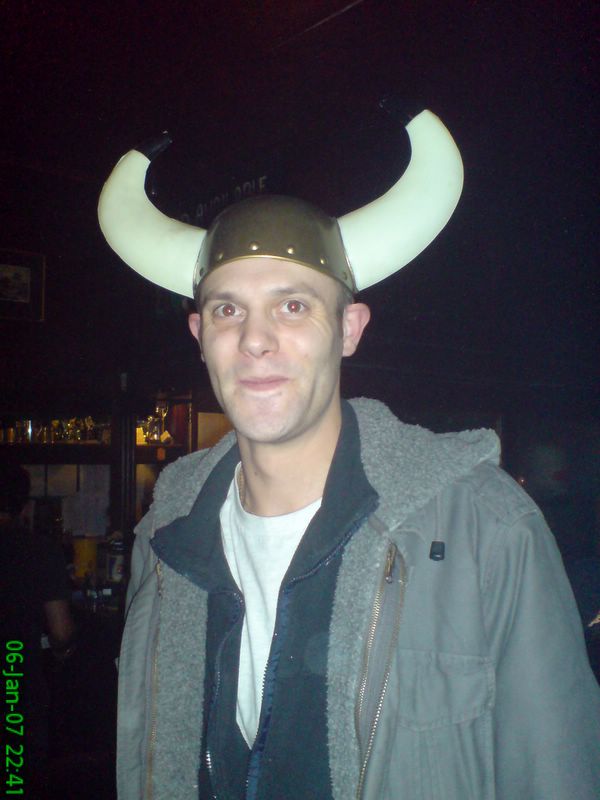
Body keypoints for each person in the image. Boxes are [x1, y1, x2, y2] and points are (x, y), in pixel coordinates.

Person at [99, 111, 600, 799]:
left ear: (349, 330)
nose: (254, 340)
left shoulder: (487, 527)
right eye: (227, 310)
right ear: (199, 335)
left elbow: (558, 774)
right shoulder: (165, 536)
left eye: (293, 307)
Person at [0, 464, 76, 786]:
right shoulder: (40, 550)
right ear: (25, 506)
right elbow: (61, 631)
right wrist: (61, 652)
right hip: (16, 674)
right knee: (17, 776)